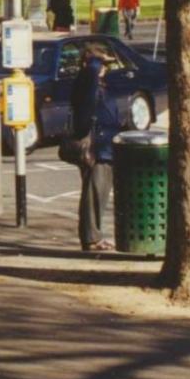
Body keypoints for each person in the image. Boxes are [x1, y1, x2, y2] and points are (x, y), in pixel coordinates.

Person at [70, 48, 121, 252]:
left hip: (104, 147)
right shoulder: (87, 82)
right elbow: (90, 72)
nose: (104, 68)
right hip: (95, 148)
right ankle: (92, 238)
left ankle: (94, 235)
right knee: (95, 193)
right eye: (101, 64)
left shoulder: (97, 85)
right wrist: (94, 61)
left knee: (97, 193)